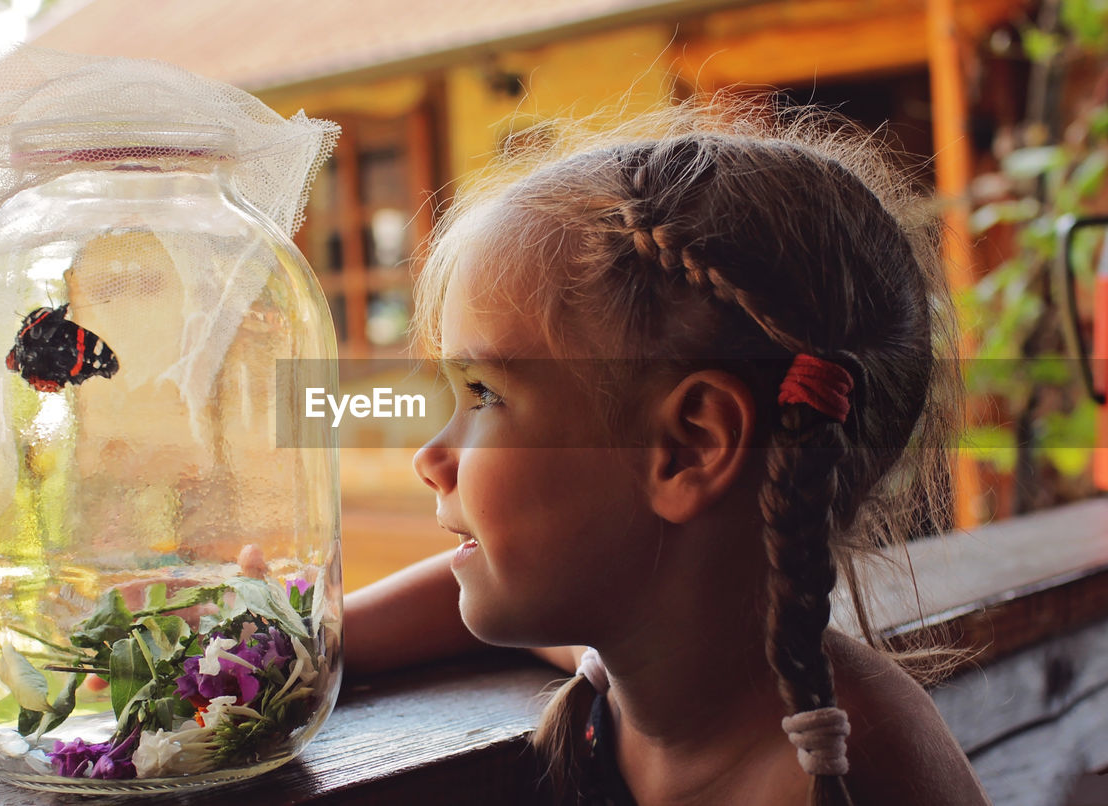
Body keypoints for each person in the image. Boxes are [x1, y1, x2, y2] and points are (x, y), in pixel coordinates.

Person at [342, 98, 992, 806]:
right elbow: (474, 579)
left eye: (484, 395)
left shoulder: (848, 778)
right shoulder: (657, 642)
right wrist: (302, 640)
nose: (430, 459)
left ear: (691, 446)